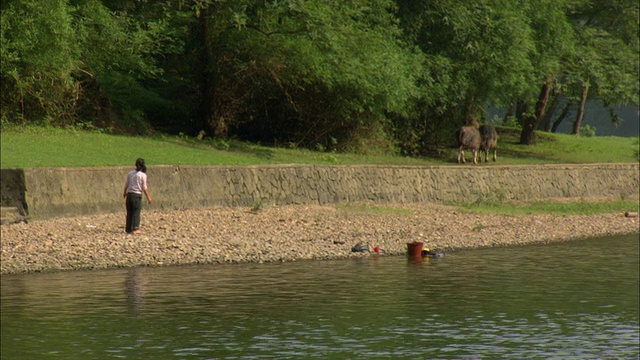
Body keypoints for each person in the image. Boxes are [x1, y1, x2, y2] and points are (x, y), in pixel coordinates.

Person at [123, 158, 153, 234]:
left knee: (129, 212)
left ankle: (129, 229)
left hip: (129, 194)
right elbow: (144, 187)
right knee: (136, 211)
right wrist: (148, 197)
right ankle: (135, 228)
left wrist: (124, 193)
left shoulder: (130, 173)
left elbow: (127, 184)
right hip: (137, 195)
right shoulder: (143, 175)